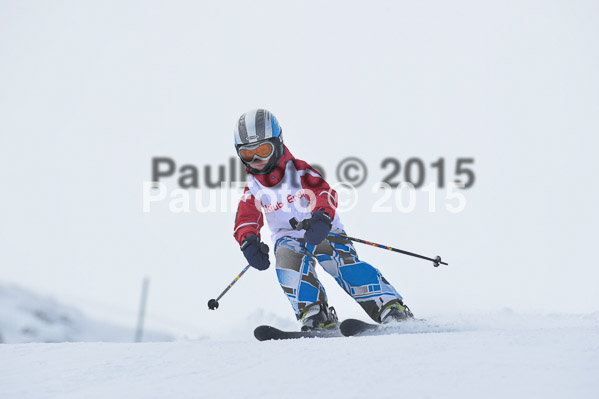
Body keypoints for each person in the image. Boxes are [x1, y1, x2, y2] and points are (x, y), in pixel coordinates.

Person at [233, 109, 412, 331]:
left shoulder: (298, 171)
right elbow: (245, 219)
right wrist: (248, 241)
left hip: (320, 229)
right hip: (287, 237)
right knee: (287, 260)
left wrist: (321, 217)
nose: (257, 160)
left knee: (335, 259)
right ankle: (315, 314)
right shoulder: (254, 188)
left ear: (278, 143)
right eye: (248, 154)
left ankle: (389, 306)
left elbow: (323, 193)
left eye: (263, 150)